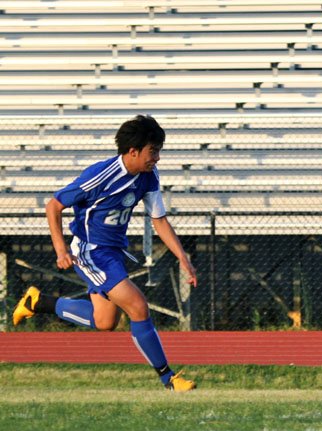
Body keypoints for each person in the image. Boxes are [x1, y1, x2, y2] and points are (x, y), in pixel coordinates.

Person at [12, 115, 198, 392]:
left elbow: (158, 219)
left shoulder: (148, 177)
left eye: (158, 151)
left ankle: (37, 302)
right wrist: (61, 250)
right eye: (153, 151)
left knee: (105, 321)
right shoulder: (100, 176)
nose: (157, 158)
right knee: (137, 306)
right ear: (133, 151)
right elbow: (53, 206)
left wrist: (183, 257)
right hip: (90, 252)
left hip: (113, 253)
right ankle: (168, 378)